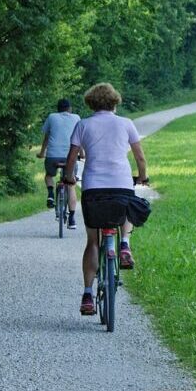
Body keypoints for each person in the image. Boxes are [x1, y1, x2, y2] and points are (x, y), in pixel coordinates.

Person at [62, 83, 150, 316]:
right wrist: (143, 177)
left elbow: (72, 158)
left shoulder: (83, 125)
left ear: (90, 102)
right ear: (115, 102)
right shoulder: (126, 124)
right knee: (127, 208)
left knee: (92, 241)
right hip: (121, 183)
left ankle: (88, 294)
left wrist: (68, 178)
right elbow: (140, 157)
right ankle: (124, 246)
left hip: (93, 188)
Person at [37, 98, 81, 229]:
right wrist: (82, 153)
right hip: (70, 157)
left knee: (49, 175)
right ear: (70, 109)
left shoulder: (51, 117)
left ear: (58, 109)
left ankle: (51, 194)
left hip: (53, 156)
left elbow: (47, 137)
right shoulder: (77, 117)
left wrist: (42, 153)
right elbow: (79, 139)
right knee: (71, 185)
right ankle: (72, 219)